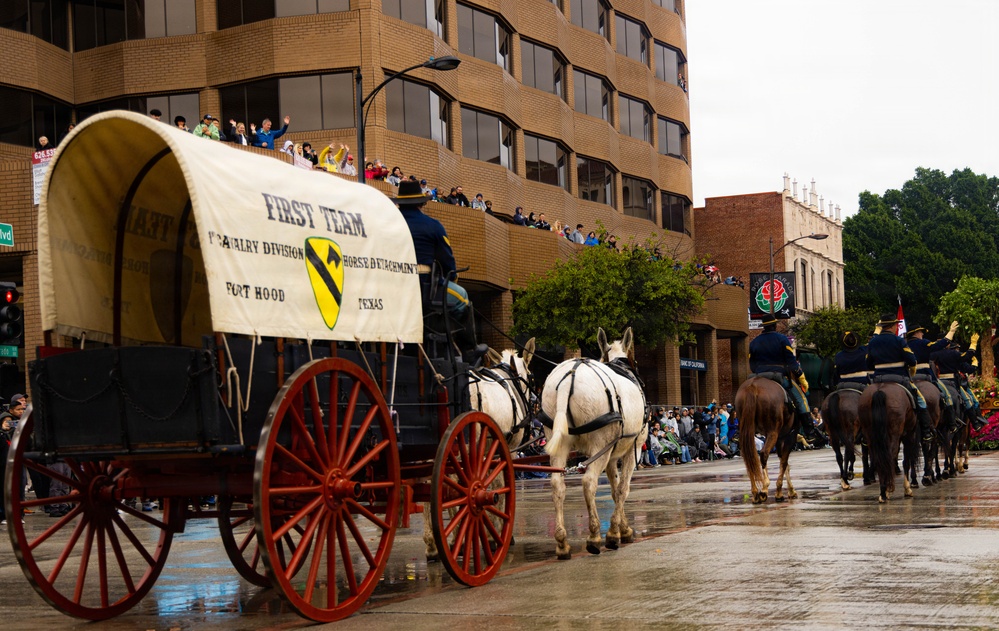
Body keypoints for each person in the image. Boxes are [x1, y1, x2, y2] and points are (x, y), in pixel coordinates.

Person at [393, 180, 472, 345]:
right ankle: (467, 349)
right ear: (421, 203)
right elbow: (447, 261)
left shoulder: (387, 223)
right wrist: (449, 279)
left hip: (392, 288)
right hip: (423, 288)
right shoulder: (433, 225)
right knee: (463, 297)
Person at [748, 315, 819, 442]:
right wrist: (800, 376)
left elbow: (752, 365)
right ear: (774, 326)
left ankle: (740, 431)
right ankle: (809, 431)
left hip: (759, 376)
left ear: (763, 327)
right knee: (801, 399)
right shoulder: (782, 339)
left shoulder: (754, 342)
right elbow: (792, 363)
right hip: (778, 375)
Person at [866, 313, 935, 443]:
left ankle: (863, 435)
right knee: (920, 400)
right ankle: (926, 431)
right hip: (898, 378)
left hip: (878, 379)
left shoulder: (873, 341)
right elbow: (911, 359)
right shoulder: (899, 340)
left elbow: (868, 363)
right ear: (892, 326)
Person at [907, 323, 957, 410]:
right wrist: (951, 332)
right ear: (916, 333)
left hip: (909, 377)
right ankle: (952, 423)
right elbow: (939, 345)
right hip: (925, 374)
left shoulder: (904, 345)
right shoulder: (923, 343)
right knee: (947, 396)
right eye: (921, 332)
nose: (922, 334)